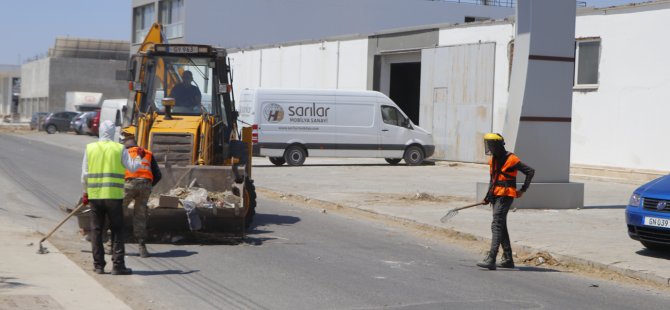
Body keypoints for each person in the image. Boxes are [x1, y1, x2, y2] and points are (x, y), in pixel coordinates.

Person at [81, 120, 144, 275]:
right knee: (116, 230)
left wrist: (85, 193)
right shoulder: (119, 148)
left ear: (101, 131)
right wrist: (139, 157)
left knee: (96, 231)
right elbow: (133, 168)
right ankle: (118, 266)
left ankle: (98, 266)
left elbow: (84, 175)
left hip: (96, 197)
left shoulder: (90, 148)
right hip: (114, 197)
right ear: (113, 133)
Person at [477, 133, 535, 270]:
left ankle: (491, 258)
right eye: (488, 144)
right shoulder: (493, 160)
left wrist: (523, 189)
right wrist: (487, 197)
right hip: (496, 195)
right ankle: (508, 259)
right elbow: (493, 179)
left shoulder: (512, 159)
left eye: (492, 145)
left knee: (496, 224)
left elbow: (530, 171)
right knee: (500, 225)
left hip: (506, 195)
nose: (490, 147)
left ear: (498, 145)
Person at [122, 137, 162, 258]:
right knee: (140, 215)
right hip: (145, 185)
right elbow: (158, 175)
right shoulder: (148, 153)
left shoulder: (124, 153)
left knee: (118, 213)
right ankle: (142, 247)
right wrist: (149, 185)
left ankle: (112, 244)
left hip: (128, 185)